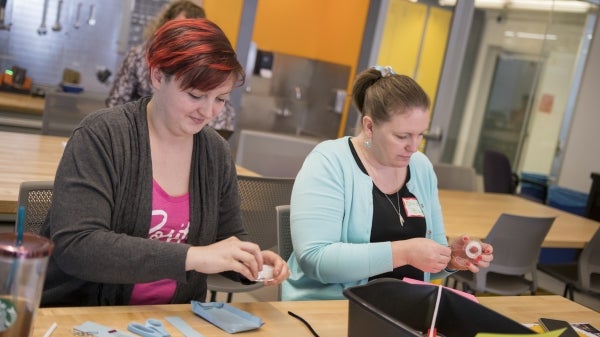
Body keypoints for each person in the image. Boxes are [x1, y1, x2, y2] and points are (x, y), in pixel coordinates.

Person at [40, 18, 289, 307]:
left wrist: (250, 263)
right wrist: (192, 256)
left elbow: (227, 237)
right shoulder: (103, 135)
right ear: (158, 76)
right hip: (89, 316)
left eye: (220, 99)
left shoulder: (215, 152)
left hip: (175, 317)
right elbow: (78, 246)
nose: (209, 112)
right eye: (195, 95)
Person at [281, 66, 493, 301]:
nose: (413, 146)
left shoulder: (421, 168)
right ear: (369, 126)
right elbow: (316, 259)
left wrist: (450, 259)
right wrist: (404, 252)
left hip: (403, 310)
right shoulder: (330, 162)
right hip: (334, 310)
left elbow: (427, 260)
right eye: (402, 136)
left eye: (420, 134)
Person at [105, 0, 236, 136]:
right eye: (181, 30)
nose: (186, 39)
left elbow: (222, 121)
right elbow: (116, 102)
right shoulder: (139, 56)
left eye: (194, 33)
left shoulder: (210, 65)